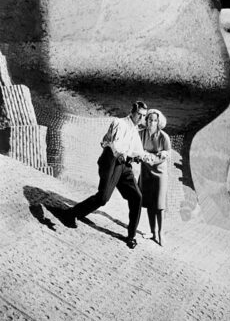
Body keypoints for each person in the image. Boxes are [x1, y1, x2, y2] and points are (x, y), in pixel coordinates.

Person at [64, 101, 149, 249]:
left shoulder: (135, 130)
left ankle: (131, 236)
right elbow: (114, 146)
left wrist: (145, 157)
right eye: (139, 115)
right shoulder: (119, 123)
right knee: (103, 198)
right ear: (132, 112)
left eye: (144, 116)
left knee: (137, 197)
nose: (141, 119)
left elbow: (137, 151)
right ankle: (72, 214)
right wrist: (123, 155)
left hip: (124, 167)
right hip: (111, 163)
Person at [139, 109, 171, 246]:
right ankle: (152, 232)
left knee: (159, 204)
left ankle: (160, 233)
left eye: (155, 120)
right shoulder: (141, 134)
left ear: (159, 122)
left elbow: (168, 153)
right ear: (146, 121)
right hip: (145, 171)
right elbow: (137, 149)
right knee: (149, 203)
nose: (152, 122)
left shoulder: (164, 136)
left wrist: (161, 155)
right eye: (150, 119)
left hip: (160, 173)